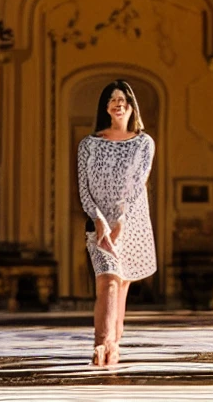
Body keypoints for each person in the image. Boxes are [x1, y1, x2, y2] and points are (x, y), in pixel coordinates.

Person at [77, 79, 156, 366]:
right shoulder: (89, 144)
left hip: (131, 224)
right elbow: (83, 188)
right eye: (112, 99)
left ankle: (115, 343)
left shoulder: (144, 142)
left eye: (123, 98)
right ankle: (101, 344)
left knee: (121, 285)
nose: (118, 103)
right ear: (106, 107)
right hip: (97, 225)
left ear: (132, 105)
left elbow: (138, 184)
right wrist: (99, 221)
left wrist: (121, 220)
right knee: (108, 282)